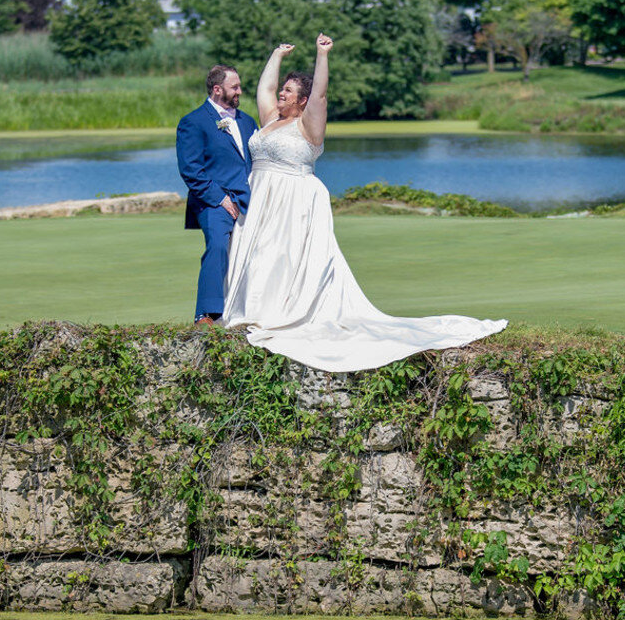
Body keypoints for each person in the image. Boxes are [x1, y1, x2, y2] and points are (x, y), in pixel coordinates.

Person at [223, 36, 507, 372]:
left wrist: (322, 54)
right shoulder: (272, 118)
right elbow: (264, 90)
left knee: (280, 255)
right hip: (261, 198)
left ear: (302, 101)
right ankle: (251, 310)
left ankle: (273, 314)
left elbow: (321, 94)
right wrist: (275, 54)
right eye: (283, 90)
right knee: (257, 254)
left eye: (289, 92)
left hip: (293, 202)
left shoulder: (308, 124)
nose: (281, 94)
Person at [175, 64, 260, 324]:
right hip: (212, 201)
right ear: (216, 89)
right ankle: (207, 314)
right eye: (234, 86)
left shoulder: (247, 121)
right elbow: (191, 171)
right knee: (218, 245)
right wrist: (221, 199)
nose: (240, 91)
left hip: (250, 199)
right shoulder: (193, 122)